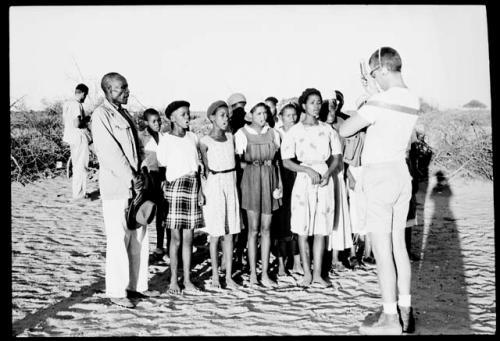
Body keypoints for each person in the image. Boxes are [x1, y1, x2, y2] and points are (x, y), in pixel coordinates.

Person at [339, 47, 419, 335]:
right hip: (401, 173)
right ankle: (405, 311)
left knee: (383, 252)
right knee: (399, 247)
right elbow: (388, 105)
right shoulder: (412, 98)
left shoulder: (379, 101)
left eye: (375, 73)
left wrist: (370, 96)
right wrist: (374, 92)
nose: (375, 78)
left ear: (383, 69)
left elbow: (346, 129)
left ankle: (389, 317)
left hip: (379, 175)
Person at [91, 72, 158, 309]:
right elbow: (109, 152)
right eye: (121, 88)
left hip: (137, 186)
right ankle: (117, 291)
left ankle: (135, 287)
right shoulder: (101, 115)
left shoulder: (125, 114)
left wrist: (141, 171)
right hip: (117, 187)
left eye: (127, 87)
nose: (126, 92)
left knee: (138, 237)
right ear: (108, 90)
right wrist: (131, 177)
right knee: (119, 238)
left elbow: (137, 149)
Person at [281, 88, 342, 288]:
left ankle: (318, 275)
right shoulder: (294, 131)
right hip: (304, 179)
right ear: (304, 105)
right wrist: (307, 170)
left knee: (321, 229)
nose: (316, 106)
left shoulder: (328, 129)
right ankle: (306, 273)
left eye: (319, 102)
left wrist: (327, 173)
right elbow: (287, 161)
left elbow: (337, 157)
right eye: (312, 102)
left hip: (324, 179)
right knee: (303, 228)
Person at [157, 100, 204, 295]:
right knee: (175, 238)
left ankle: (187, 279)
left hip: (193, 187)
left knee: (189, 238)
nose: (187, 117)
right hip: (175, 189)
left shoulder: (193, 137)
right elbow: (162, 168)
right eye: (183, 114)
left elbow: (198, 167)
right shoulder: (166, 140)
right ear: (172, 118)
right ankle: (173, 280)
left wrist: (201, 191)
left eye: (188, 113)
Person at [234, 102, 282, 287]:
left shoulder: (274, 134)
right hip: (252, 181)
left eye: (265, 113)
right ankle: (253, 274)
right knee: (253, 230)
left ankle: (264, 274)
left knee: (267, 229)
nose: (262, 117)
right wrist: (252, 167)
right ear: (251, 115)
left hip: (270, 180)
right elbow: (237, 162)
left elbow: (276, 161)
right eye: (258, 113)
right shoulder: (242, 134)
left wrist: (278, 184)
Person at [199, 100, 241, 290]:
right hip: (214, 186)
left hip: (231, 185)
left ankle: (229, 276)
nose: (226, 118)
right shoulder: (205, 142)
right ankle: (215, 275)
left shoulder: (232, 137)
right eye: (222, 115)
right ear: (212, 118)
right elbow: (203, 170)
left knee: (230, 233)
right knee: (215, 234)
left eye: (227, 115)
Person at [318, 98, 356, 272]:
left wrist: (348, 174)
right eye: (329, 111)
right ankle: (323, 257)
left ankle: (336, 257)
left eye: (334, 111)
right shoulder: (318, 131)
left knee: (339, 217)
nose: (332, 114)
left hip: (339, 176)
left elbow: (343, 157)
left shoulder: (339, 129)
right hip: (325, 176)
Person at [274, 100, 303, 276]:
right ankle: (281, 264)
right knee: (281, 221)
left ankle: (297, 261)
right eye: (287, 116)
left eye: (294, 115)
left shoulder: (301, 133)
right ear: (280, 117)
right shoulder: (277, 135)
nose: (291, 119)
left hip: (298, 177)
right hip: (282, 178)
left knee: (297, 219)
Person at [139, 108, 170, 264]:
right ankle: (141, 250)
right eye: (153, 121)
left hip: (163, 176)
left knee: (162, 214)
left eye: (159, 120)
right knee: (145, 213)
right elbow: (139, 158)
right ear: (146, 122)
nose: (157, 123)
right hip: (149, 177)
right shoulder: (141, 138)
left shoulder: (165, 136)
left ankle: (160, 248)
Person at [227, 92, 249, 272]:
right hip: (235, 175)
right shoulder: (231, 126)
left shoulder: (239, 124)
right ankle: (237, 255)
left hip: (242, 175)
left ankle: (238, 255)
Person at [62, 83, 91, 200]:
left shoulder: (67, 104)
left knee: (76, 165)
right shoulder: (76, 105)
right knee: (81, 166)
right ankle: (79, 194)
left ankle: (78, 192)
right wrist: (86, 120)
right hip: (79, 138)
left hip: (71, 137)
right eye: (85, 95)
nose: (85, 98)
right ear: (83, 93)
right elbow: (77, 123)